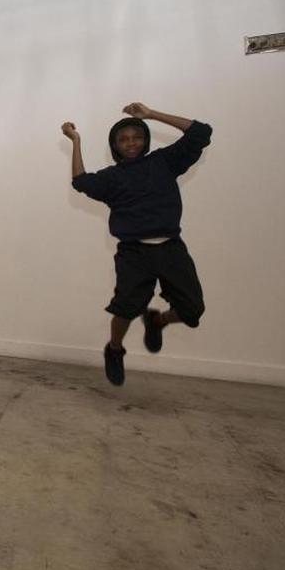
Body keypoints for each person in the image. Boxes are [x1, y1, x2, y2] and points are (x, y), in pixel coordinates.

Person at [64, 102, 212, 386]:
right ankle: (115, 349)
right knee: (125, 308)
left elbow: (201, 133)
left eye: (136, 137)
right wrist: (76, 140)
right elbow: (80, 181)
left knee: (193, 310)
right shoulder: (112, 178)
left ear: (145, 140)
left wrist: (153, 114)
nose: (131, 143)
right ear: (115, 145)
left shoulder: (164, 162)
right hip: (134, 253)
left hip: (171, 248)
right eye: (123, 139)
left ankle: (157, 321)